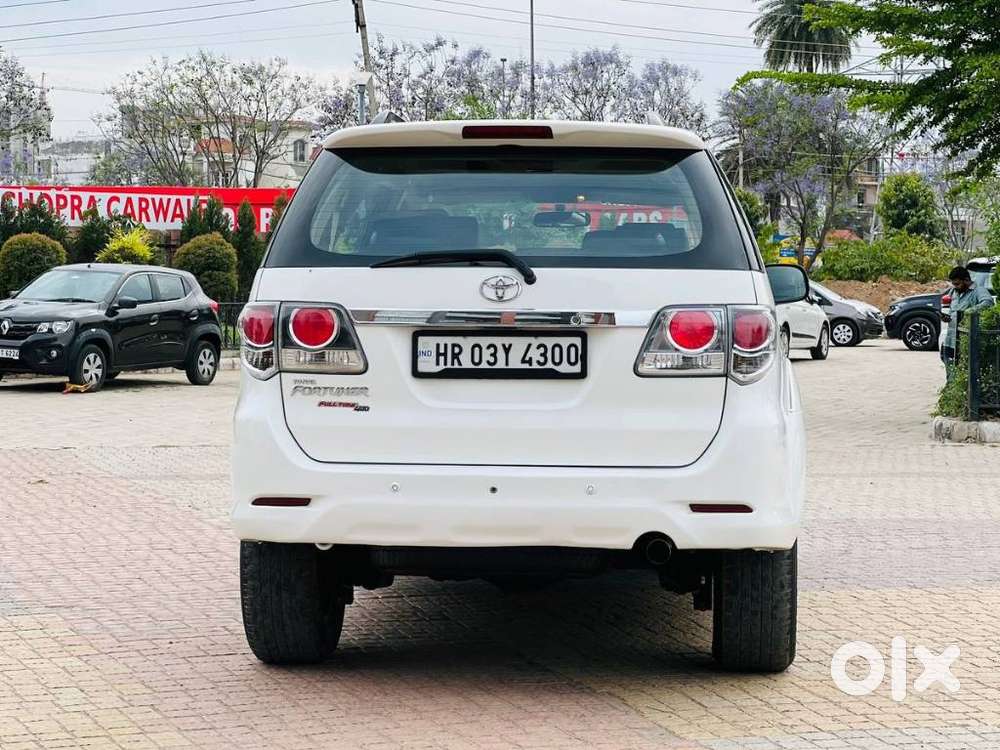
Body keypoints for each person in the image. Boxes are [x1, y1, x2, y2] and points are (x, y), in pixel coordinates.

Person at [941, 265, 995, 370]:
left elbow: (988, 303)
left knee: (963, 372)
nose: (955, 286)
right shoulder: (953, 292)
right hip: (950, 340)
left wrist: (967, 312)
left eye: (957, 284)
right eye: (953, 284)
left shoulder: (978, 290)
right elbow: (949, 308)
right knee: (950, 373)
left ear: (966, 280)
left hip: (964, 341)